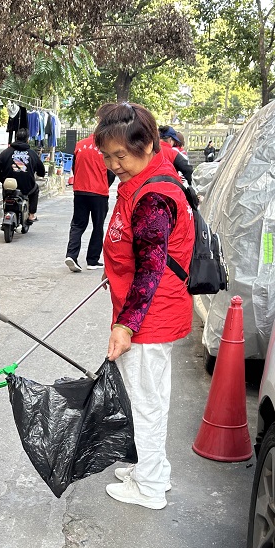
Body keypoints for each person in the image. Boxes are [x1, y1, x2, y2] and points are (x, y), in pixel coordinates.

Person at [96, 102, 195, 510]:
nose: (114, 165)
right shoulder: (148, 176)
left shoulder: (154, 196)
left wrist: (126, 325)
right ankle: (152, 469)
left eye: (121, 155)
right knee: (148, 395)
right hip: (150, 309)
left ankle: (150, 486)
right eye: (107, 156)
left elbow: (151, 269)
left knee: (145, 400)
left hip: (149, 314)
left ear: (148, 145)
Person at [64, 133, 115, 272]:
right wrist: (104, 184)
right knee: (98, 226)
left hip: (80, 191)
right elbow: (111, 171)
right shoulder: (106, 146)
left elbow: (74, 167)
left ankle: (71, 255)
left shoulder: (80, 145)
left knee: (77, 224)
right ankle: (92, 260)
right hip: (99, 192)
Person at [0, 126, 45, 221]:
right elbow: (41, 170)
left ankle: (6, 213)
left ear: (16, 138)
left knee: (6, 189)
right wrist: (40, 174)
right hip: (27, 186)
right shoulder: (32, 154)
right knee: (36, 189)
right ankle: (31, 215)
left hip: (10, 186)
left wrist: (2, 179)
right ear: (27, 140)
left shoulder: (6, 152)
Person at [158, 125, 194, 197]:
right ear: (170, 139)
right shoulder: (173, 153)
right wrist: (191, 185)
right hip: (169, 192)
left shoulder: (149, 151)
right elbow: (188, 170)